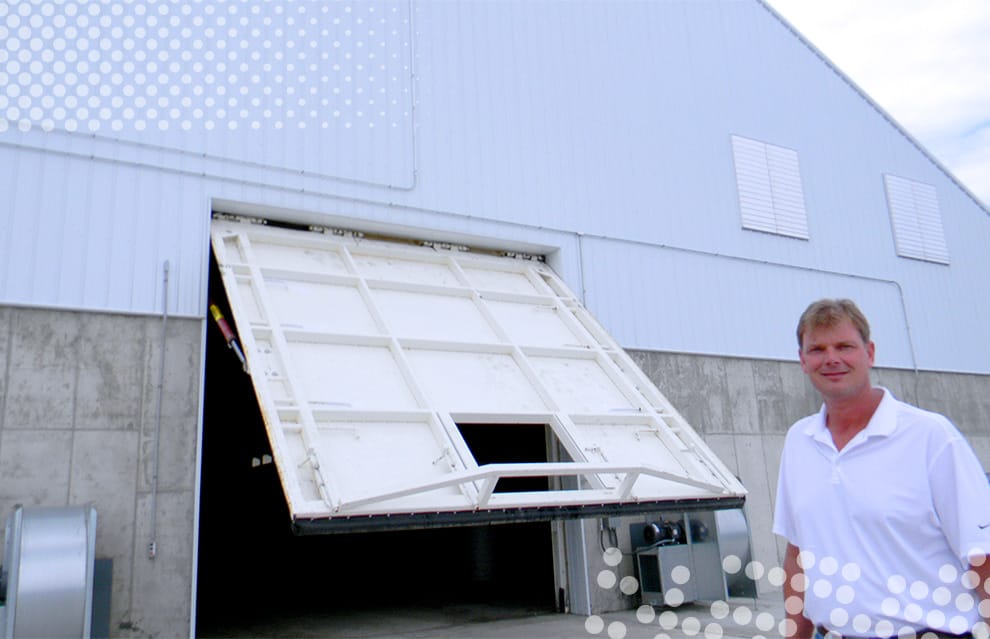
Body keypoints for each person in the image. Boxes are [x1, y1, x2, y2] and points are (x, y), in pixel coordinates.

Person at [773, 298, 990, 639]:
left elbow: (982, 555)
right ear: (802, 360)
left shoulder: (931, 438)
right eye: (817, 349)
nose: (831, 358)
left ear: (870, 353)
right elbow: (797, 555)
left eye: (844, 346)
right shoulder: (800, 441)